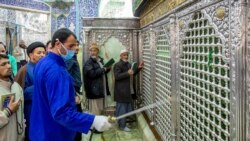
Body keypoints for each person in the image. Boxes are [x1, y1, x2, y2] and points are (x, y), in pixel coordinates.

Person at [29, 28, 111, 141]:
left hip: (40, 128)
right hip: (55, 133)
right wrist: (92, 120)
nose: (75, 49)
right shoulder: (57, 71)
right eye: (71, 46)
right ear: (58, 43)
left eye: (76, 45)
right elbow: (61, 113)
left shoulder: (42, 63)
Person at [15, 42, 46, 141]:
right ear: (31, 55)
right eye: (39, 52)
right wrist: (39, 87)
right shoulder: (24, 70)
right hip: (31, 109)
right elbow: (19, 92)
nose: (42, 55)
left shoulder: (45, 68)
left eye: (44, 53)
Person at [114, 49, 144, 132]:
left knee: (125, 109)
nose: (126, 56)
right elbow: (117, 76)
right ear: (120, 56)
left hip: (128, 90)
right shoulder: (117, 65)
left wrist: (139, 68)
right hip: (121, 91)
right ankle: (122, 126)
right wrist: (127, 73)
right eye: (124, 55)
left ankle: (123, 124)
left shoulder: (128, 64)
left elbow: (132, 73)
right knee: (122, 109)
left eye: (127, 55)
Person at [0, 54, 25, 141]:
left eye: (9, 63)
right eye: (3, 64)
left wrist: (23, 131)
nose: (9, 66)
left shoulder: (16, 86)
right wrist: (8, 111)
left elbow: (21, 112)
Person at [83, 43, 111, 115]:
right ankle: (94, 125)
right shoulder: (88, 63)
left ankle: (98, 124)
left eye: (94, 50)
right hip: (94, 90)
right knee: (95, 111)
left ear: (98, 52)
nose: (93, 52)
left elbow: (102, 72)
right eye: (91, 51)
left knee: (100, 109)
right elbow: (92, 74)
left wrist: (108, 68)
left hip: (101, 89)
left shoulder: (100, 60)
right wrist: (103, 69)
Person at [65, 40, 82, 141]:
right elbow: (66, 78)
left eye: (77, 45)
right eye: (73, 45)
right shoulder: (70, 58)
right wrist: (74, 94)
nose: (77, 47)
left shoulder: (73, 57)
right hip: (72, 93)